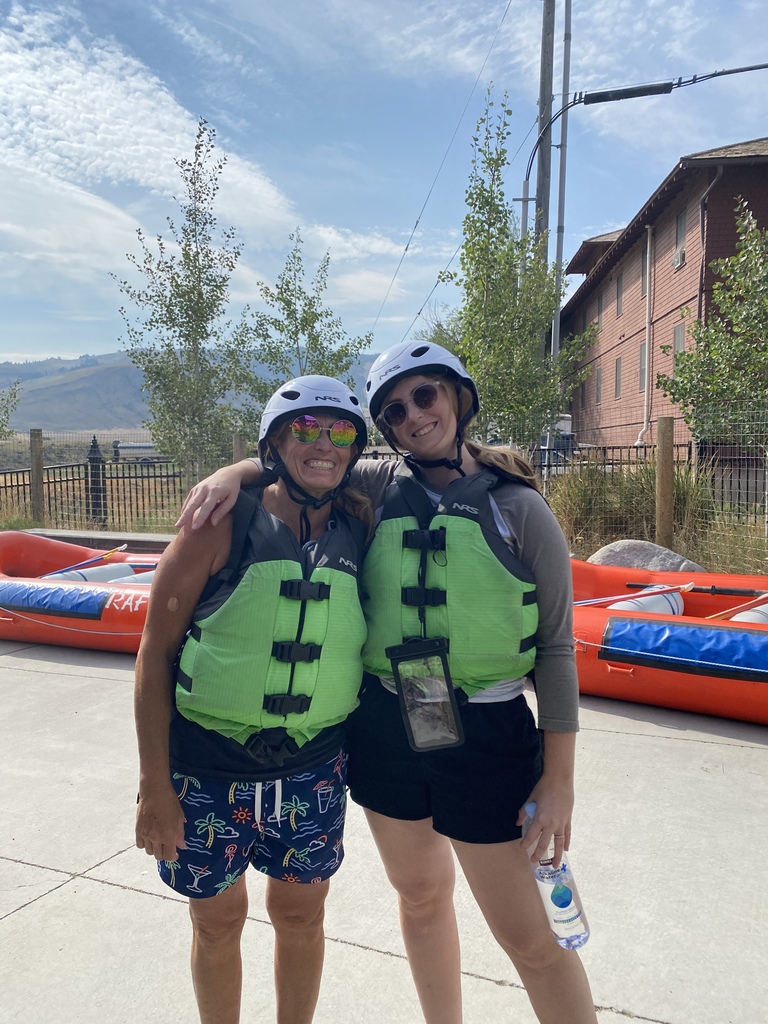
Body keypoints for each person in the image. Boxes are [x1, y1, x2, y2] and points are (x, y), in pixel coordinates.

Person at [177, 343, 597, 1024]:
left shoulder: (518, 509)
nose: (413, 416)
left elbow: (554, 648)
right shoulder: (373, 485)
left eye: (425, 396)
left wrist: (559, 780)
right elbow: (304, 456)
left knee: (532, 939)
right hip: (388, 726)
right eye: (394, 410)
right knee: (422, 899)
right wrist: (235, 471)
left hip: (488, 732)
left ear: (457, 398)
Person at [134, 375, 372, 1024]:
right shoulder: (218, 524)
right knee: (217, 923)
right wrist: (154, 785)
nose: (324, 444)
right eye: (305, 429)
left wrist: (233, 466)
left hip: (312, 771)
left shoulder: (360, 522)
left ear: (356, 448)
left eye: (341, 431)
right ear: (275, 442)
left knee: (302, 915)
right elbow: (155, 653)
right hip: (207, 773)